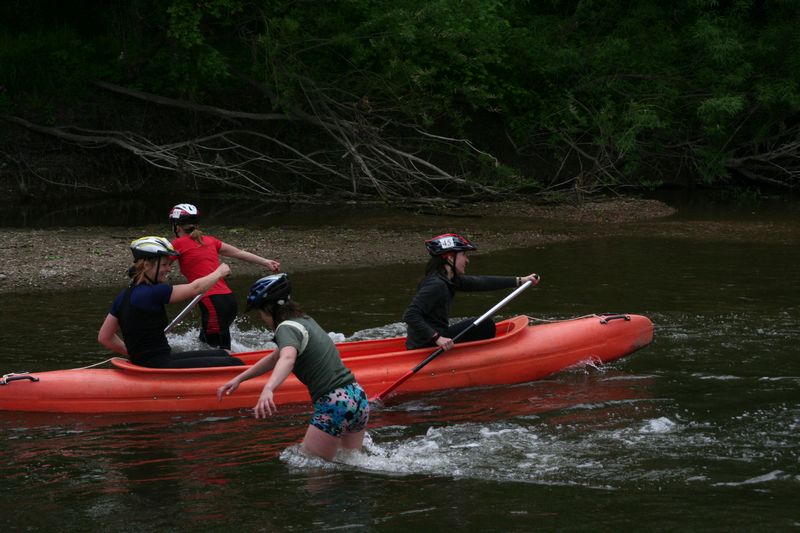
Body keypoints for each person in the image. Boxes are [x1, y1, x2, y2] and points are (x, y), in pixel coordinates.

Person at [217, 273, 369, 461]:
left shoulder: (285, 328)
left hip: (334, 402)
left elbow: (287, 358)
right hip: (357, 397)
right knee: (351, 463)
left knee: (312, 468)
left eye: (261, 313)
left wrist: (268, 388)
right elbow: (275, 357)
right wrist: (239, 378)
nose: (263, 319)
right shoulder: (305, 321)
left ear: (269, 309)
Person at [98, 236, 245, 368]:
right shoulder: (154, 292)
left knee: (223, 354)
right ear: (147, 265)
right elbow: (196, 288)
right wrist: (219, 272)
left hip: (153, 361)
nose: (168, 269)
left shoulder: (123, 295)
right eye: (164, 265)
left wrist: (133, 355)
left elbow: (105, 337)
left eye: (169, 264)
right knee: (234, 363)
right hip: (159, 365)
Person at [169, 203, 281, 351]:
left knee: (216, 350)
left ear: (177, 226)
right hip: (228, 301)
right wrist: (266, 262)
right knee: (206, 343)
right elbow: (238, 253)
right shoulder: (209, 240)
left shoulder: (178, 244)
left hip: (212, 303)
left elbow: (160, 265)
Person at [403, 232, 540, 351]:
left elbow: (482, 282)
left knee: (482, 324)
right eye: (464, 255)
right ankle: (481, 359)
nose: (467, 260)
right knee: (485, 325)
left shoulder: (448, 280)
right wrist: (437, 338)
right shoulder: (436, 284)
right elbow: (410, 315)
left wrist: (521, 280)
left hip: (431, 338)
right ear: (450, 257)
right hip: (428, 344)